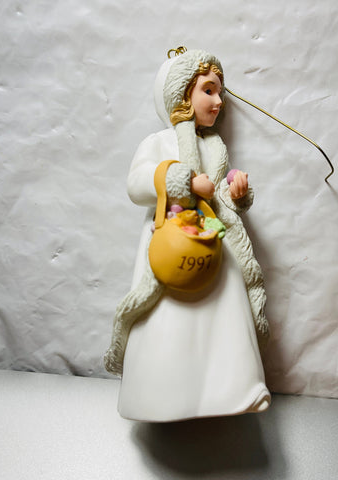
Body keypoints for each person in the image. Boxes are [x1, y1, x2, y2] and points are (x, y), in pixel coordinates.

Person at [104, 49, 270, 421]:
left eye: (220, 92)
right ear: (181, 94)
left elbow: (218, 193)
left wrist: (236, 193)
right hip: (171, 242)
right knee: (169, 323)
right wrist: (183, 180)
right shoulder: (158, 142)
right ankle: (160, 399)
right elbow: (137, 184)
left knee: (224, 320)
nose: (218, 101)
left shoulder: (214, 147)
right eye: (208, 90)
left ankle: (233, 391)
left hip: (215, 242)